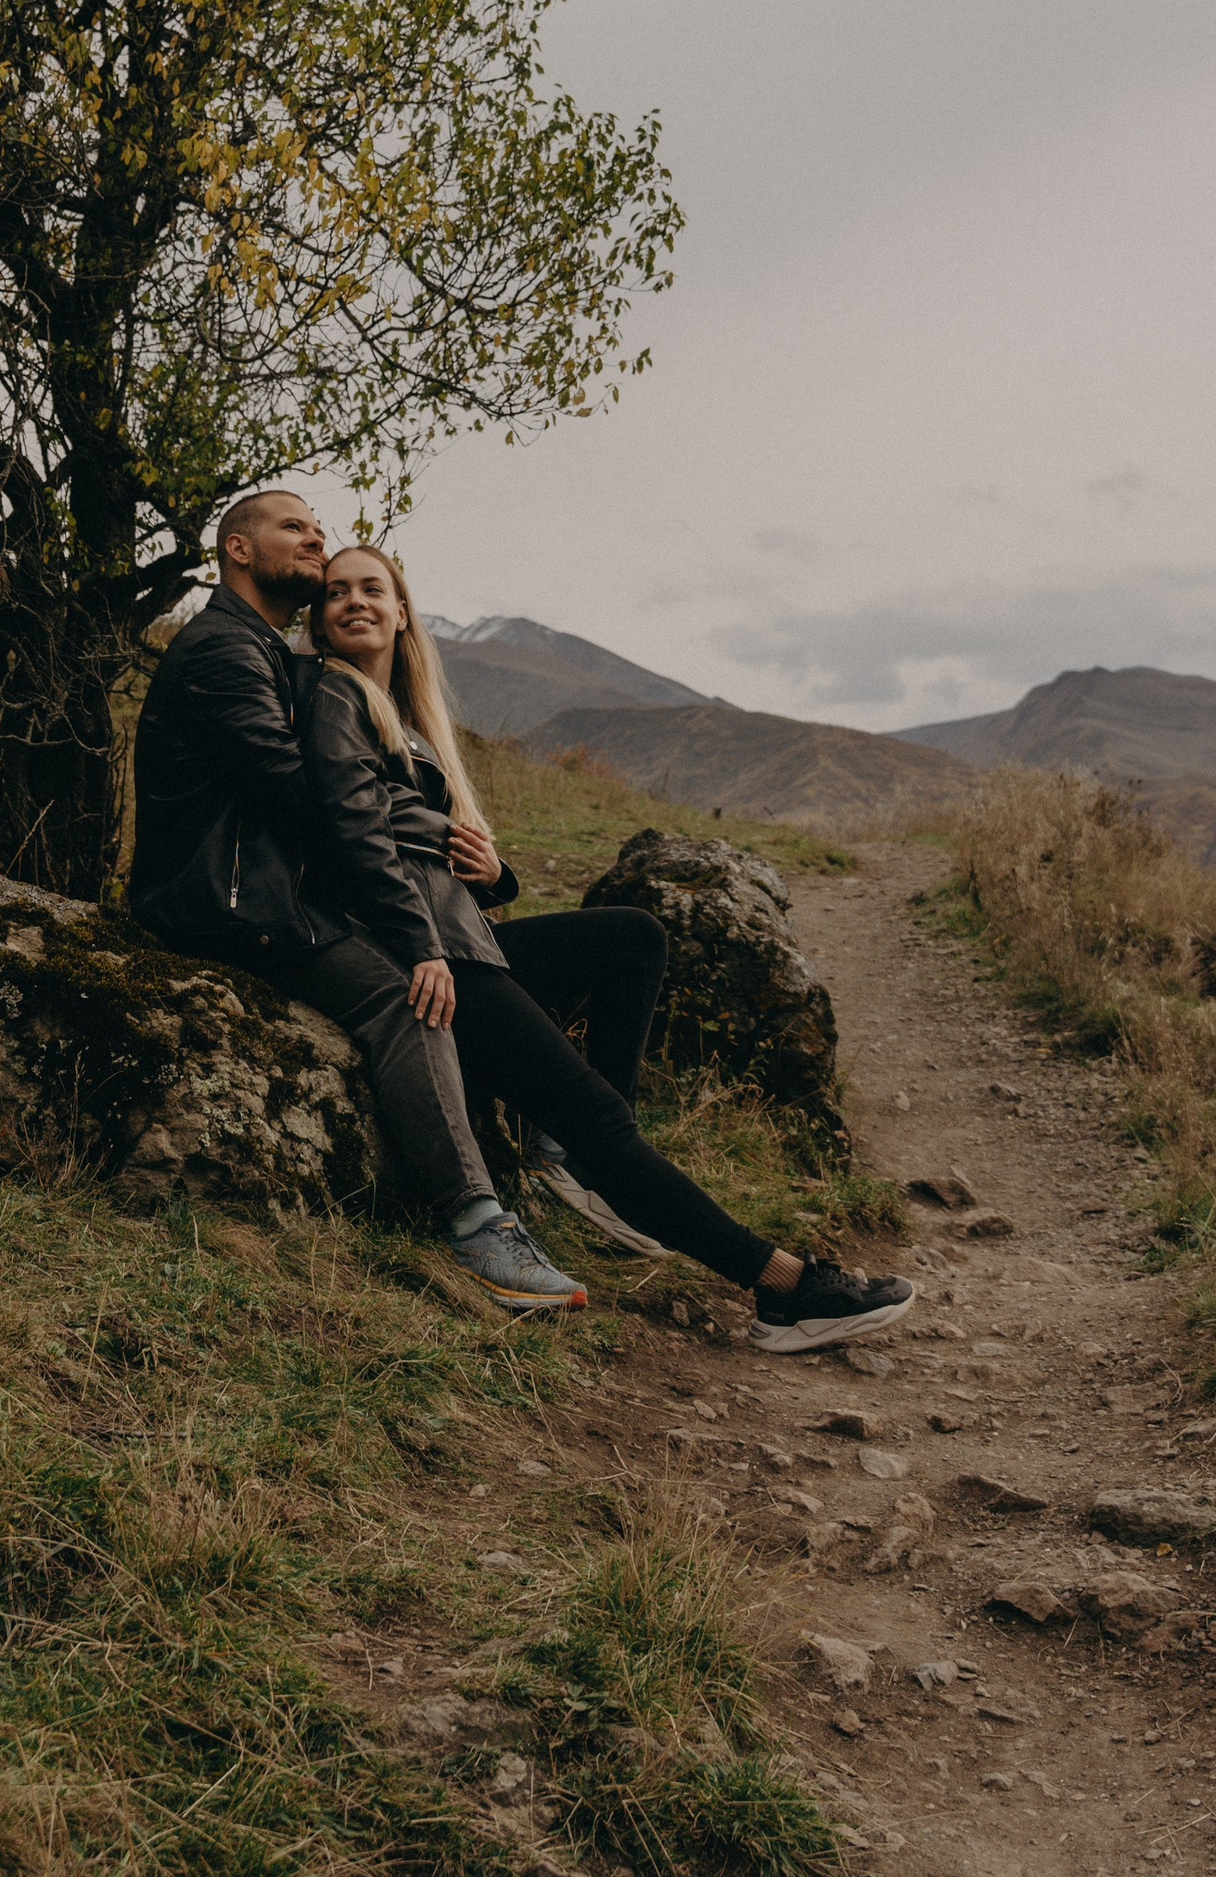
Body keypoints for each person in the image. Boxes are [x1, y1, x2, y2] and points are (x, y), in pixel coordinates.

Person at [306, 540, 916, 1353]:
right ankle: (783, 1289)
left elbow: (434, 854)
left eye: (372, 588)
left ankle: (581, 1161)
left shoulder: (411, 720)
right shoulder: (332, 698)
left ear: (402, 609)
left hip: (463, 940)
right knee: (599, 1113)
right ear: (316, 618)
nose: (355, 600)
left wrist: (491, 871)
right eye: (336, 591)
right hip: (429, 961)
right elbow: (353, 832)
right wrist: (426, 921)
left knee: (632, 939)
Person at [129, 486, 589, 1315]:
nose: (316, 542)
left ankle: (544, 1138)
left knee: (466, 972)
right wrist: (420, 824)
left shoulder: (261, 649)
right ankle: (478, 1225)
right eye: (295, 529)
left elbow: (328, 800)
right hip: (217, 904)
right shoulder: (227, 650)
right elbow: (300, 797)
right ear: (239, 549)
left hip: (260, 892)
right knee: (409, 998)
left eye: (320, 531)